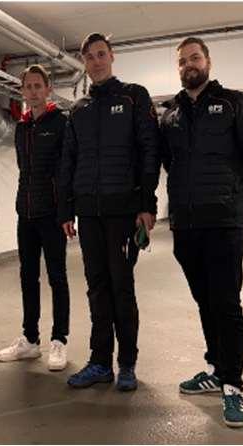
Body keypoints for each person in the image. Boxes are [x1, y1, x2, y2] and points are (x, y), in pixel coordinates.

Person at [159, 37, 243, 427]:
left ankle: (233, 386)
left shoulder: (235, 103)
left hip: (224, 223)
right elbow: (168, 163)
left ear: (207, 61)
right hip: (186, 225)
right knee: (205, 301)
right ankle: (217, 369)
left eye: (195, 58)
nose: (189, 65)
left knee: (226, 304)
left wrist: (239, 199)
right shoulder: (171, 114)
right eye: (183, 61)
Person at [57, 33, 160, 390]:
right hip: (89, 213)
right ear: (84, 63)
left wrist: (147, 204)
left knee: (121, 287)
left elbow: (149, 151)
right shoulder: (79, 109)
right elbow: (69, 160)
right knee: (97, 288)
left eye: (101, 54)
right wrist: (66, 210)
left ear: (112, 57)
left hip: (123, 212)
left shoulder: (134, 96)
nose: (96, 61)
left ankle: (126, 363)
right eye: (89, 57)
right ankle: (100, 362)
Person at [0, 65, 71, 371]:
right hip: (25, 214)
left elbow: (66, 172)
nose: (33, 91)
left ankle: (59, 340)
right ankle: (30, 340)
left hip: (52, 215)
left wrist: (66, 212)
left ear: (48, 89)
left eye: (38, 85)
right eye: (28, 86)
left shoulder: (61, 123)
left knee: (57, 278)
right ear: (22, 91)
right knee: (28, 277)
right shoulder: (22, 128)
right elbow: (23, 169)